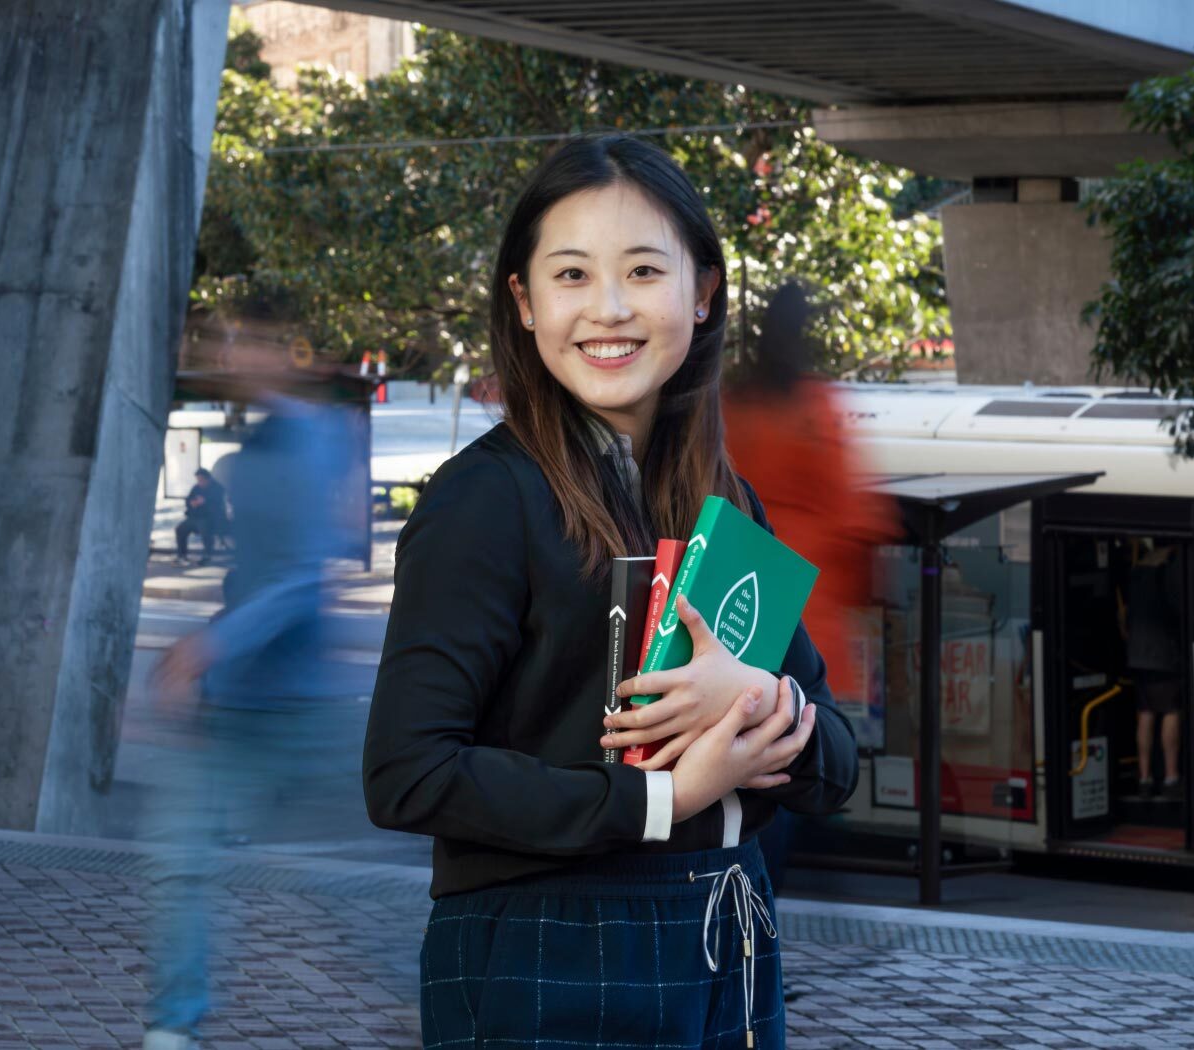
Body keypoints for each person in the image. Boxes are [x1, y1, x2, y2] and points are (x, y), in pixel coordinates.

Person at [363, 135, 858, 1049]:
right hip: (547, 950)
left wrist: (752, 698)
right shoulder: (483, 499)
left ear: (702, 292)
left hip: (729, 938)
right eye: (572, 275)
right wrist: (661, 801)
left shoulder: (726, 498)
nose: (611, 309)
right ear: (523, 301)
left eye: (642, 270)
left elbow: (835, 760)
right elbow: (407, 774)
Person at [141, 378, 351, 1050]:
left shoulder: (310, 440)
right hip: (240, 701)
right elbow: (255, 577)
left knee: (349, 887)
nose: (226, 359)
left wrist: (212, 645)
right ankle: (174, 1027)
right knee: (181, 860)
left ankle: (445, 1002)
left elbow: (299, 577)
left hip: (296, 706)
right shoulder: (258, 444)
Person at [723, 282, 900, 889]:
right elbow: (858, 520)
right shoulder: (815, 407)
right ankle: (757, 932)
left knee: (740, 777)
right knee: (789, 770)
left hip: (734, 607)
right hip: (806, 617)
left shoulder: (732, 402)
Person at [1119, 537, 1185, 799]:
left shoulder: (1137, 570)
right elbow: (1178, 608)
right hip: (1162, 653)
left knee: (1145, 713)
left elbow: (1125, 613)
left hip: (1136, 653)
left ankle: (1144, 777)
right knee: (1171, 711)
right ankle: (1171, 776)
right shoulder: (1167, 570)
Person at [174, 467, 226, 564]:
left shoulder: (218, 488)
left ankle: (207, 555)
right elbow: (188, 500)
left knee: (204, 528)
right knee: (180, 529)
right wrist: (192, 503)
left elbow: (219, 506)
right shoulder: (196, 487)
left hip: (210, 518)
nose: (200, 482)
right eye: (198, 480)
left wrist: (205, 502)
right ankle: (182, 555)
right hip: (194, 517)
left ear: (208, 479)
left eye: (201, 480)